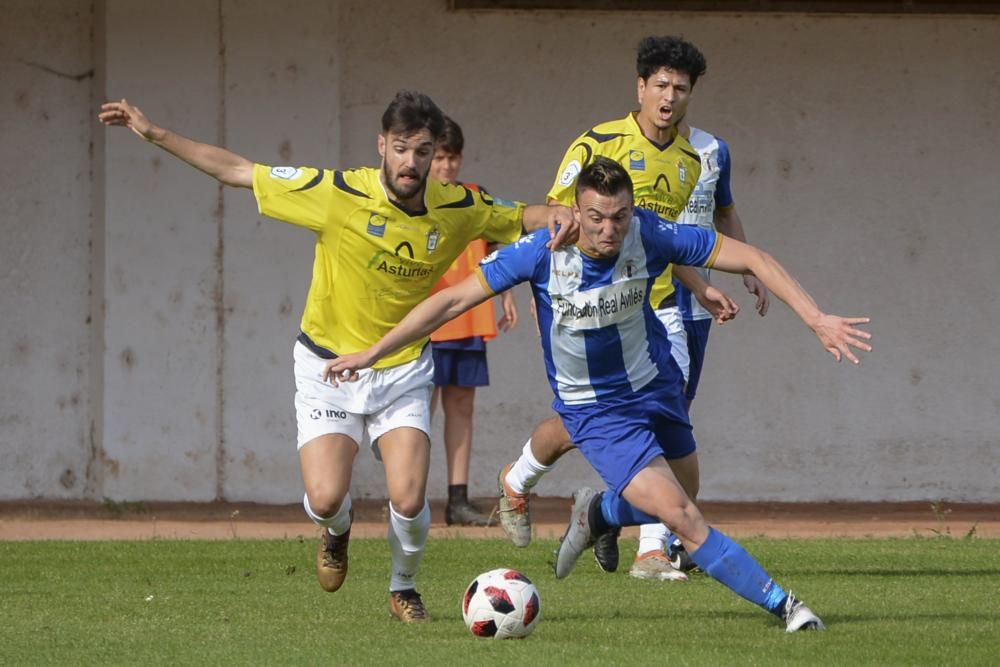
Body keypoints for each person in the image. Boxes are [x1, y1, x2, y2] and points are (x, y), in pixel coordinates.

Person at [320, 157, 871, 632]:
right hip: (596, 412)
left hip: (655, 385)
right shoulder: (540, 252)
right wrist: (371, 353)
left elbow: (752, 257)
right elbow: (449, 303)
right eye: (597, 218)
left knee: (685, 492)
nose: (609, 230)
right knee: (681, 516)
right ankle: (788, 607)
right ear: (575, 213)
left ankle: (601, 513)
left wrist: (816, 318)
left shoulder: (649, 234)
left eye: (619, 217)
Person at [98, 90, 573, 624]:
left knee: (410, 498)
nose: (411, 162)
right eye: (400, 149)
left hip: (401, 368)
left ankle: (404, 586)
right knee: (325, 496)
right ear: (381, 147)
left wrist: (557, 212)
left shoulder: (459, 206)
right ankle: (336, 528)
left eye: (422, 151)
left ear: (434, 152)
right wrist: (156, 134)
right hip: (327, 368)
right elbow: (238, 171)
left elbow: (520, 215)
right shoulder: (337, 193)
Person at [496, 35, 734, 581]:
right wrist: (548, 291)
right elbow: (555, 216)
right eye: (660, 86)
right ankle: (522, 479)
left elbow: (661, 241)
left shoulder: (689, 162)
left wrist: (698, 286)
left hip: (655, 310)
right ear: (640, 87)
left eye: (680, 88)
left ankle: (651, 549)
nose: (669, 98)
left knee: (663, 421)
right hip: (586, 306)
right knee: (581, 420)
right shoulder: (598, 143)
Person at [427, 116, 519, 526]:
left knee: (461, 407)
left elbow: (498, 246)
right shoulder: (415, 199)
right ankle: (405, 494)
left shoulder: (476, 196)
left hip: (467, 318)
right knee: (416, 410)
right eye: (439, 158)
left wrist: (508, 296)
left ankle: (457, 498)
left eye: (452, 158)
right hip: (427, 319)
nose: (446, 167)